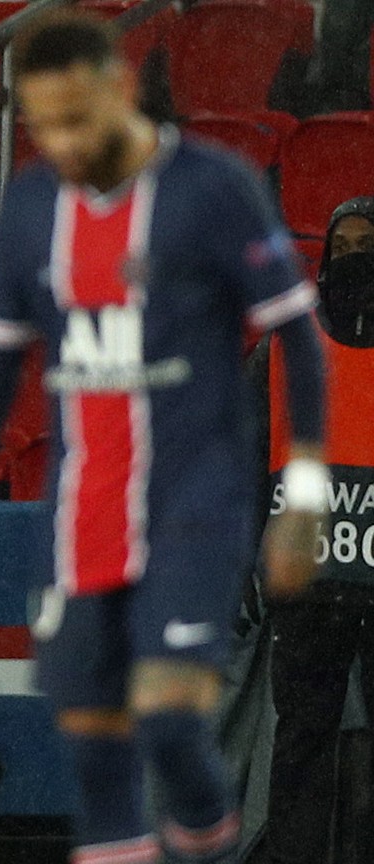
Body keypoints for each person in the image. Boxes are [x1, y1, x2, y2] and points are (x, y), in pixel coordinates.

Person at [0, 11, 328, 864]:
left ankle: (208, 839)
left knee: (171, 717)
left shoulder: (215, 189)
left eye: (77, 120)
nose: (59, 142)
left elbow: (298, 335)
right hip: (82, 512)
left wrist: (307, 491)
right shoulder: (30, 209)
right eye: (42, 124)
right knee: (98, 743)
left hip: (195, 501)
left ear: (123, 89)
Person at [264, 197, 374, 864]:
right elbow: (252, 446)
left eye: (368, 243)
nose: (356, 256)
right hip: (309, 580)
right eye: (346, 245)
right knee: (302, 741)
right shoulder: (286, 341)